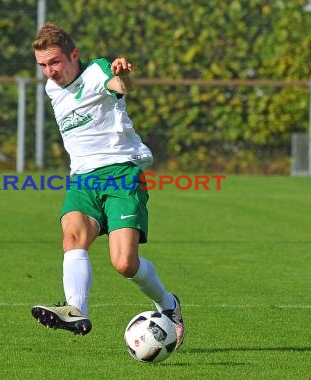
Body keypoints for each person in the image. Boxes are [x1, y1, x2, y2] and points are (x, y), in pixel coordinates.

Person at [30, 22, 184, 351]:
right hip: (83, 177)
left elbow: (122, 86)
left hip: (121, 171)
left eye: (55, 62)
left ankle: (169, 304)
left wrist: (124, 73)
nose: (49, 72)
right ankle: (76, 311)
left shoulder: (97, 70)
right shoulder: (51, 88)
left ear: (75, 55)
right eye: (42, 65)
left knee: (124, 263)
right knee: (73, 235)